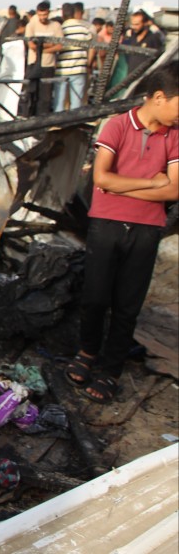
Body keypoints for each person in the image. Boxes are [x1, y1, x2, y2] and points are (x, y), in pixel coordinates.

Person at [66, 63, 178, 403]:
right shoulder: (117, 126)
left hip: (146, 228)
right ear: (160, 97)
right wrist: (152, 183)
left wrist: (122, 187)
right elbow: (101, 178)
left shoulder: (174, 137)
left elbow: (173, 191)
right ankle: (87, 351)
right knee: (96, 297)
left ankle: (111, 368)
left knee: (128, 304)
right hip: (106, 224)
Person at [23, 0, 63, 116]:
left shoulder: (55, 26)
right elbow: (31, 45)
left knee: (45, 97)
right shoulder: (31, 25)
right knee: (31, 94)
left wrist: (42, 48)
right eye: (40, 15)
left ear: (48, 13)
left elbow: (60, 45)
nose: (42, 17)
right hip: (33, 64)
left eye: (45, 15)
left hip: (48, 65)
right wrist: (50, 45)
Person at [54, 2, 94, 111]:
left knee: (59, 101)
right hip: (79, 68)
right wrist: (88, 63)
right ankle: (73, 124)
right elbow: (92, 47)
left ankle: (57, 124)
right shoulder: (84, 29)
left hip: (62, 69)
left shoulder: (60, 29)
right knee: (76, 100)